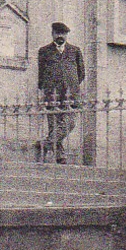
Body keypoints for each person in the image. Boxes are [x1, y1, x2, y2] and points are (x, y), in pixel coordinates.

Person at [36, 21, 84, 162]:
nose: (60, 36)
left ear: (67, 34)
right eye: (57, 33)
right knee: (54, 124)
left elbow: (81, 73)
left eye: (63, 33)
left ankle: (47, 143)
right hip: (52, 93)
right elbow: (41, 73)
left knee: (70, 122)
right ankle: (60, 156)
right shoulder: (44, 51)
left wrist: (71, 85)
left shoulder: (75, 51)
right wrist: (45, 89)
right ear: (52, 34)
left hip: (70, 93)